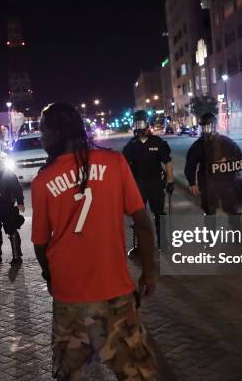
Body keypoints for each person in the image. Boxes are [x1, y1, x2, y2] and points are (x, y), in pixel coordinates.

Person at [32, 103, 157, 380]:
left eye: (42, 130)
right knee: (138, 372)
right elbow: (143, 223)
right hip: (116, 295)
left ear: (55, 133)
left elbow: (40, 243)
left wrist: (49, 276)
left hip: (69, 298)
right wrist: (149, 271)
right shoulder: (114, 163)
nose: (39, 137)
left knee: (69, 373)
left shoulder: (43, 180)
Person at [123, 109, 174, 255]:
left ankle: (163, 244)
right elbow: (124, 166)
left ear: (147, 124)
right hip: (137, 184)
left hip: (156, 183)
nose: (139, 127)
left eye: (142, 123)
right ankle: (140, 245)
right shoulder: (131, 145)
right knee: (139, 216)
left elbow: (167, 163)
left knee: (159, 214)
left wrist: (170, 181)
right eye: (137, 124)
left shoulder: (158, 142)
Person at [184, 113, 242, 229]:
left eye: (209, 126)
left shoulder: (226, 142)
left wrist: (227, 161)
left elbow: (238, 156)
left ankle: (237, 233)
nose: (207, 130)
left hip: (227, 181)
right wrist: (192, 182)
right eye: (204, 127)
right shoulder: (198, 146)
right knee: (209, 210)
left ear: (214, 126)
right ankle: (210, 236)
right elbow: (190, 164)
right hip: (208, 182)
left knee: (232, 208)